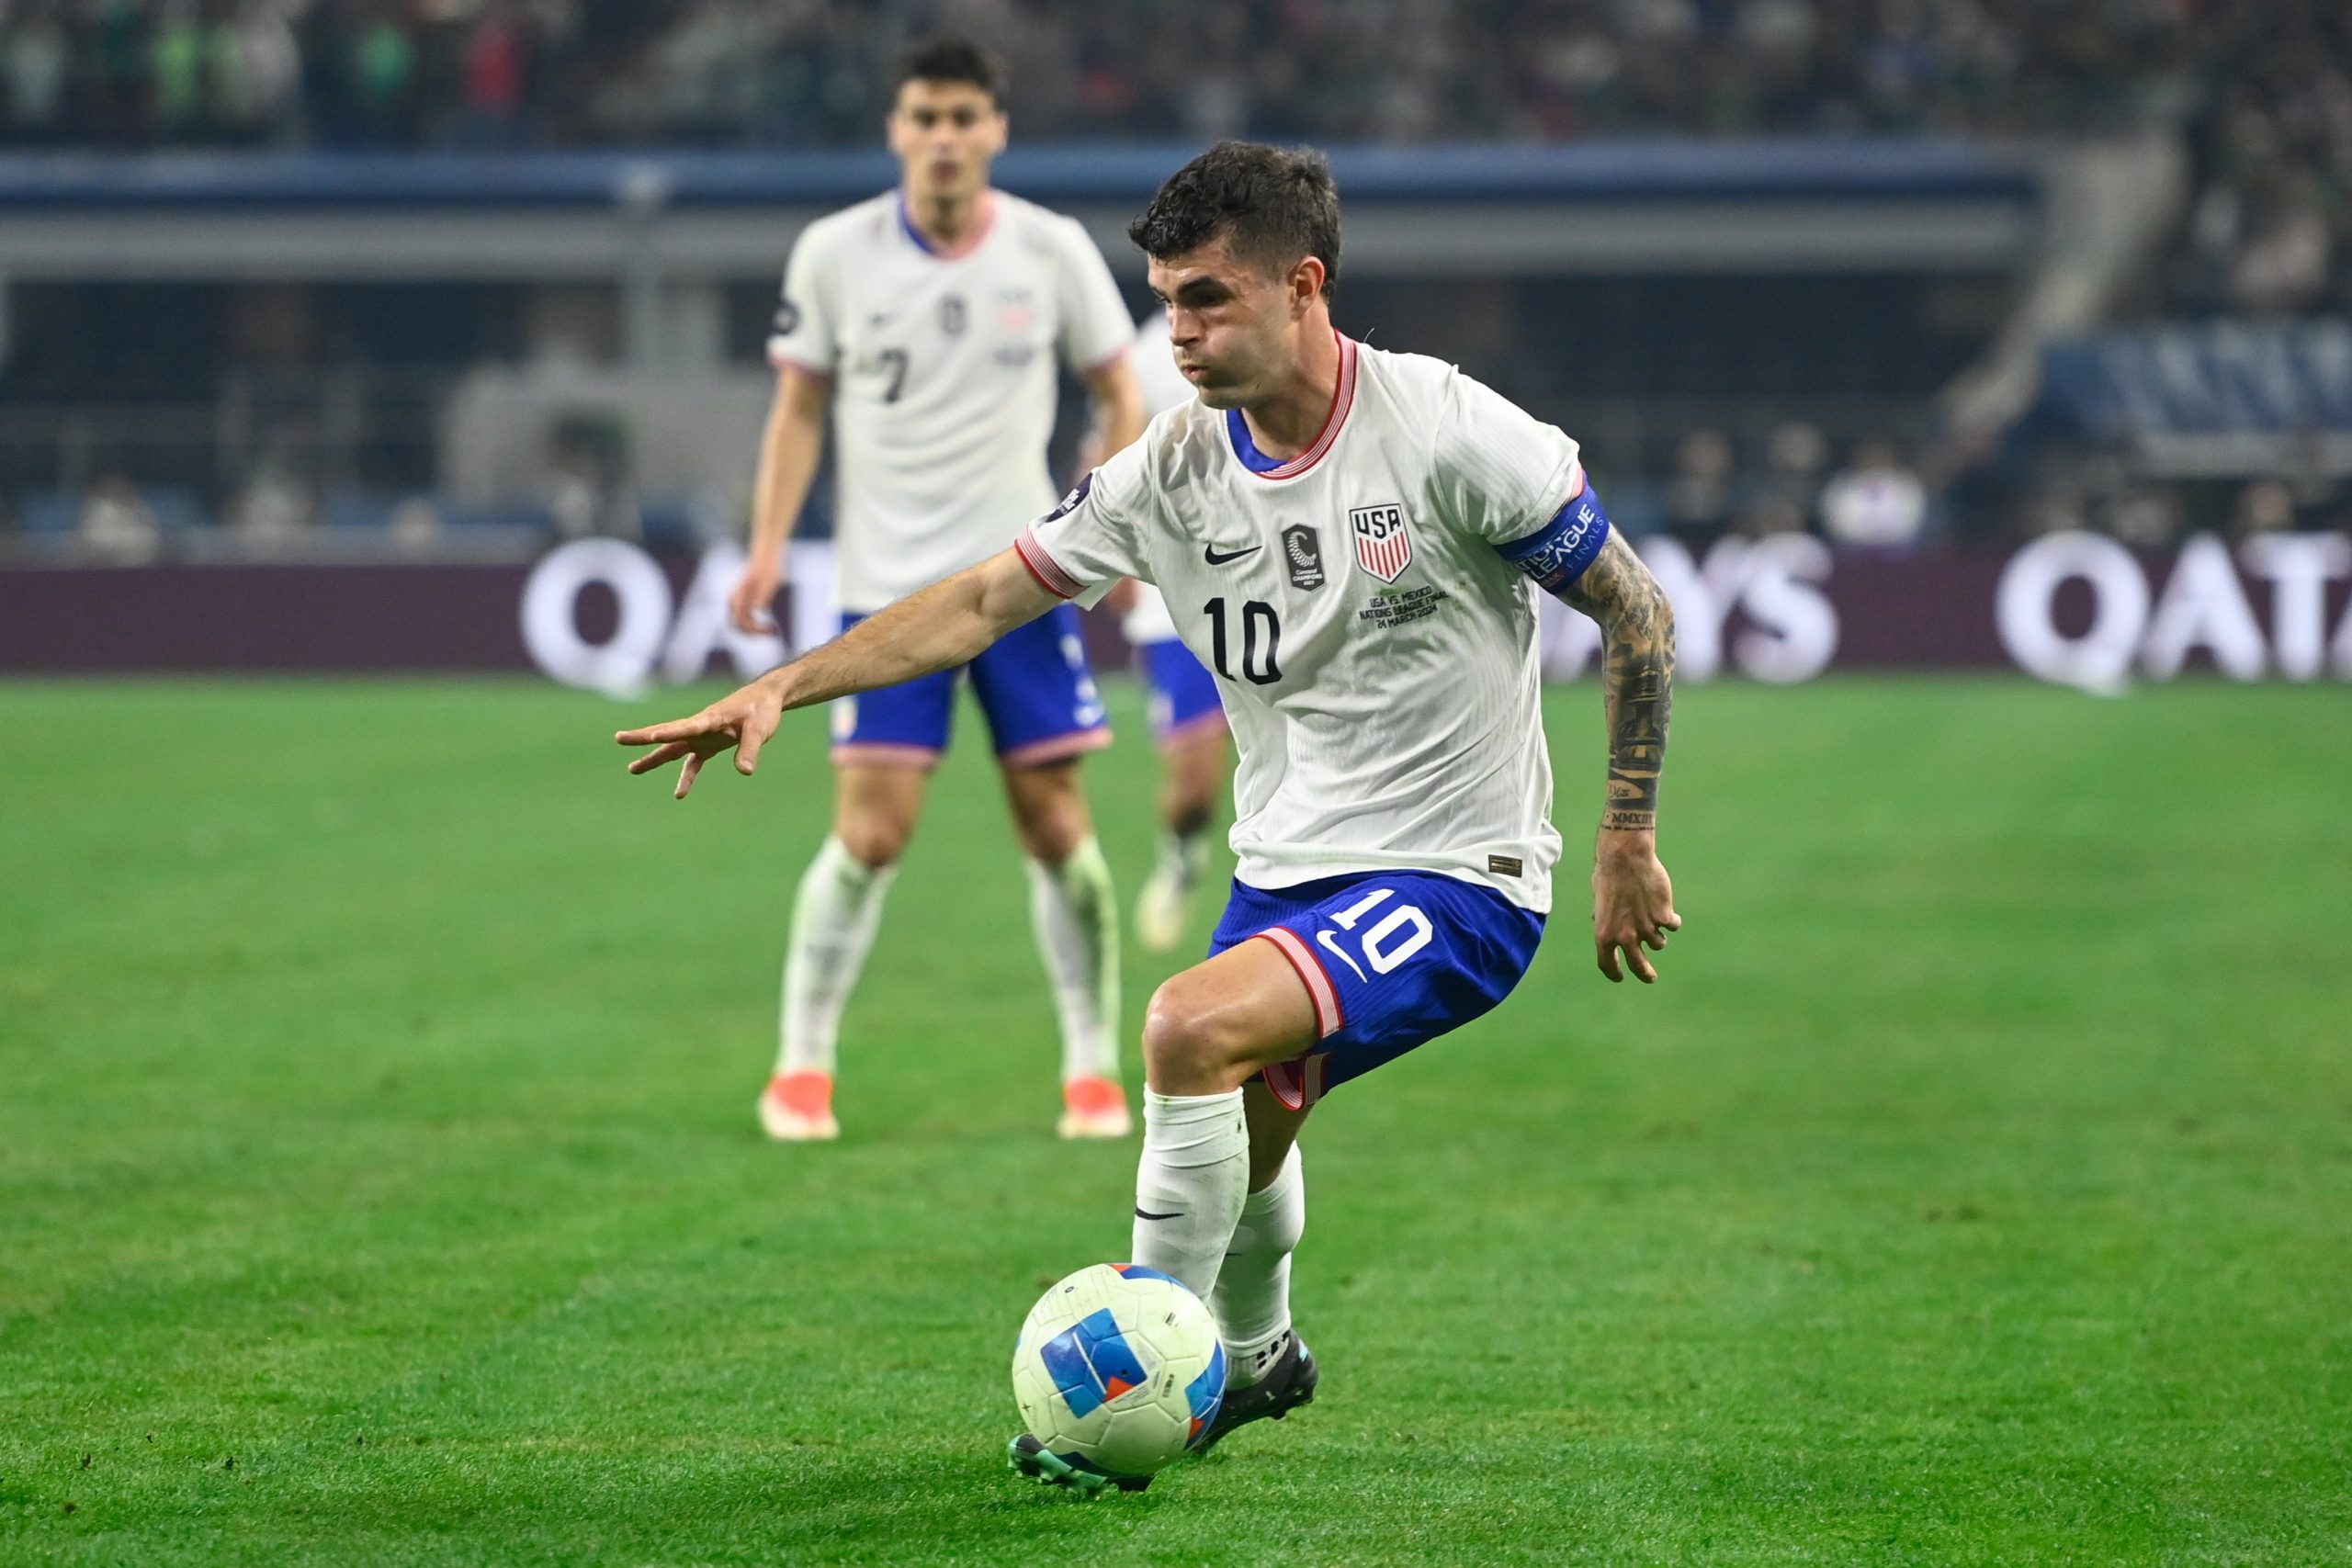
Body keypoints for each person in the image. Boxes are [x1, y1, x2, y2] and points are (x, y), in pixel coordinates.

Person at [623, 141, 1680, 1480]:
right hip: (1287, 865)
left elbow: (1636, 607)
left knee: (1187, 1025)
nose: (1175, 332)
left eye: (1206, 300)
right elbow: (980, 600)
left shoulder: (1450, 430)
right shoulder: (1167, 473)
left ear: (1304, 287)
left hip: (1459, 876)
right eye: (1166, 301)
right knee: (1242, 1135)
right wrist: (788, 679)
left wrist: (1622, 836)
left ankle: (1138, 1394)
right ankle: (1258, 1358)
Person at [722, 38, 1146, 1143]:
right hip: (883, 592)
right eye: (926, 117)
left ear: (997, 129)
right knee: (870, 835)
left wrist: (1101, 516)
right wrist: (768, 548)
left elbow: (1120, 390)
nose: (945, 138)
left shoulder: (1050, 251)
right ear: (896, 129)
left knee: (1057, 826)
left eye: (965, 117)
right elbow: (799, 410)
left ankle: (1091, 1070)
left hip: (1018, 585)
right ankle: (801, 1069)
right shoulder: (834, 254)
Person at [1104, 306, 1231, 953]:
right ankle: (1182, 854)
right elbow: (1114, 441)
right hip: (1176, 594)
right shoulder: (1147, 355)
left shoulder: (1269, 334)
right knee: (1193, 785)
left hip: (1281, 578)